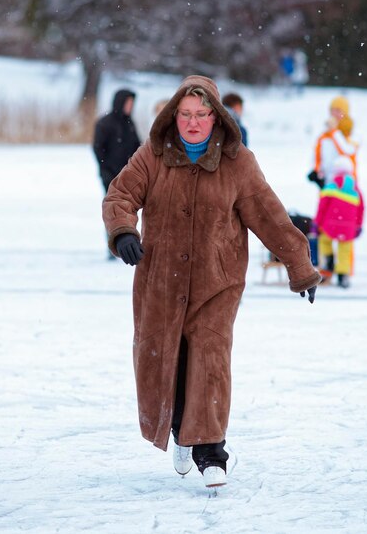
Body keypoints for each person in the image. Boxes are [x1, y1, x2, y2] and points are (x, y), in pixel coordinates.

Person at [102, 75, 321, 490]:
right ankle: (180, 431)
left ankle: (210, 451)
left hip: (216, 282)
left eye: (202, 114)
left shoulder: (238, 162)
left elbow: (270, 217)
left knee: (209, 359)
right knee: (165, 358)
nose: (193, 123)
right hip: (160, 281)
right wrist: (124, 231)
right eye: (185, 114)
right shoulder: (153, 154)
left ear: (216, 116)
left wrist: (299, 266)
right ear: (173, 115)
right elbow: (120, 196)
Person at [313, 155, 364, 288]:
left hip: (330, 225)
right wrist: (358, 225)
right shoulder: (355, 189)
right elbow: (361, 208)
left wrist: (316, 223)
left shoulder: (331, 186)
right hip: (348, 227)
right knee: (345, 251)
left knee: (324, 242)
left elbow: (322, 207)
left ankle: (328, 262)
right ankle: (343, 276)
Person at [93, 89, 141, 193]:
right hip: (110, 174)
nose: (130, 106)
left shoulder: (129, 123)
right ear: (120, 102)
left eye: (132, 103)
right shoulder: (105, 123)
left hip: (129, 174)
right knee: (113, 205)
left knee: (128, 206)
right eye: (128, 103)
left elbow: (137, 146)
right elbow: (98, 148)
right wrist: (105, 170)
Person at [308, 96, 358, 189]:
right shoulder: (324, 135)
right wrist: (317, 170)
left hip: (346, 183)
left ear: (345, 113)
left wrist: (334, 132)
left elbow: (347, 151)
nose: (334, 114)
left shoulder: (351, 133)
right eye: (332, 110)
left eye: (338, 110)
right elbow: (317, 155)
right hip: (327, 182)